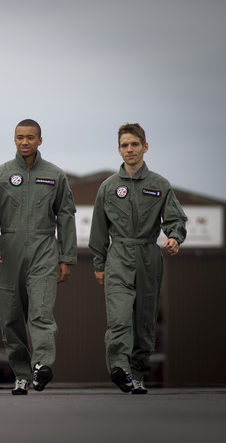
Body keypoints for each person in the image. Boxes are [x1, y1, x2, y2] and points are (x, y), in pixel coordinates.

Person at [89, 123, 187, 394]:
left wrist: (174, 237)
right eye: (124, 145)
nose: (129, 150)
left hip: (148, 257)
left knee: (144, 321)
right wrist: (100, 264)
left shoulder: (159, 185)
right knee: (119, 317)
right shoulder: (108, 187)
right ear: (118, 150)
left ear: (145, 147)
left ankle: (139, 373)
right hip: (118, 257)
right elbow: (98, 229)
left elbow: (175, 217)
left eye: (134, 144)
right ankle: (120, 367)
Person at [0, 119, 77, 395]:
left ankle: (42, 365)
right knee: (10, 317)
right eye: (20, 137)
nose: (25, 142)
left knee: (41, 312)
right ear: (14, 140)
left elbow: (66, 216)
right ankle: (22, 374)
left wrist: (66, 258)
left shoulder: (55, 175)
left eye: (30, 137)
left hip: (44, 247)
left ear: (40, 140)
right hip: (8, 249)